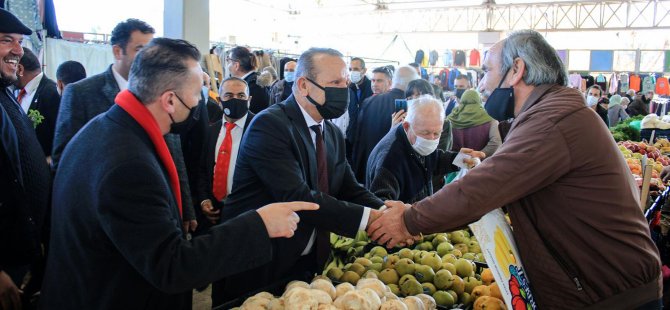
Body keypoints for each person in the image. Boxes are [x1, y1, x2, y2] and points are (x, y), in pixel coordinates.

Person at [368, 30, 662, 309]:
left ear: (516, 70)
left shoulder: (552, 121)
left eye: (487, 71)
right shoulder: (553, 113)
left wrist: (408, 219)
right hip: (602, 285)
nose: (482, 84)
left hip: (610, 293)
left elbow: (486, 186)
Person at [39, 38, 319, 310]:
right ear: (170, 100)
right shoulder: (128, 164)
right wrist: (259, 224)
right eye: (197, 93)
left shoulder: (106, 128)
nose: (201, 103)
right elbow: (171, 265)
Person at [213, 47, 386, 306]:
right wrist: (371, 219)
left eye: (346, 82)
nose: (344, 90)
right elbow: (297, 196)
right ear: (304, 85)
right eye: (335, 83)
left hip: (307, 264)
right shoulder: (270, 125)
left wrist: (385, 210)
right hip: (260, 265)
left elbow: (348, 186)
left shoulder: (331, 133)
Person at [51, 18, 199, 232]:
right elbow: (66, 160)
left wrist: (183, 206)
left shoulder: (163, 95)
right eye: (141, 49)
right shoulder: (81, 93)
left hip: (154, 205)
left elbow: (173, 153)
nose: (150, 56)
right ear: (118, 51)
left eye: (152, 49)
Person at [0, 9, 51, 310]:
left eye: (19, 42)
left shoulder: (6, 94)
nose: (19, 50)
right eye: (7, 40)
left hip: (22, 261)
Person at [366, 95, 483, 203]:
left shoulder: (413, 141)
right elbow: (380, 204)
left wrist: (461, 159)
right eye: (425, 133)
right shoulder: (390, 159)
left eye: (437, 133)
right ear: (407, 126)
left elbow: (434, 158)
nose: (431, 139)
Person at [195, 77, 255, 233]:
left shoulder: (261, 129)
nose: (235, 100)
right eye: (228, 96)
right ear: (220, 101)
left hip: (248, 214)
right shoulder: (211, 130)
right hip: (214, 213)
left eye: (241, 96)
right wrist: (204, 199)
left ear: (249, 100)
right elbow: (202, 169)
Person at [351, 66, 419, 182]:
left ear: (392, 82)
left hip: (365, 165)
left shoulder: (368, 101)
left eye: (379, 80)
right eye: (373, 80)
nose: (375, 84)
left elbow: (356, 134)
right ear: (412, 83)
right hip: (390, 167)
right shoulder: (410, 105)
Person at [13, 47, 61, 161]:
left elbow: (61, 137)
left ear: (20, 69)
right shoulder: (16, 92)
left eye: (11, 67)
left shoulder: (52, 93)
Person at [331, 57, 374, 157]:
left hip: (365, 136)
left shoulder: (371, 88)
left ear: (364, 70)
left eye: (356, 69)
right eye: (350, 69)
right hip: (350, 136)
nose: (352, 72)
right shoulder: (348, 88)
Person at [226, 46, 270, 114]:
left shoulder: (251, 87)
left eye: (228, 60)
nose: (227, 65)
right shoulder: (254, 82)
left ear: (236, 65)